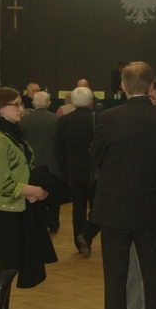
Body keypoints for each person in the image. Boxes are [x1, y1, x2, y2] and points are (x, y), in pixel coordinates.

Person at [89, 61, 156, 309]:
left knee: (115, 279)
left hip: (115, 207)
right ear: (151, 86)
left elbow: (97, 157)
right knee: (153, 277)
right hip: (152, 206)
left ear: (123, 86)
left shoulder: (108, 118)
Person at [0, 87, 53, 309]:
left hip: (15, 206)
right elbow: (3, 184)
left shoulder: (12, 135)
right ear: (0, 108)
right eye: (16, 104)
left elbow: (22, 170)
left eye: (21, 104)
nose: (21, 109)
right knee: (8, 265)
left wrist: (31, 193)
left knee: (10, 265)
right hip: (2, 208)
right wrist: (34, 191)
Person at [55, 86, 100, 255]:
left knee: (78, 208)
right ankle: (87, 234)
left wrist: (64, 171)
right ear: (91, 102)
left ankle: (79, 243)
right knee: (98, 207)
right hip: (94, 172)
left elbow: (58, 149)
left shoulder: (64, 120)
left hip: (73, 172)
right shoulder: (98, 119)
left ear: (73, 102)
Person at [21, 91, 61, 233]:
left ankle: (39, 223)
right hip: (52, 165)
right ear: (49, 103)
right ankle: (54, 223)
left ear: (33, 103)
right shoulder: (57, 120)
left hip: (33, 165)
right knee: (53, 196)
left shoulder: (25, 120)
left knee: (34, 197)